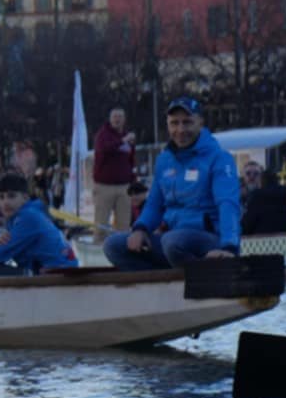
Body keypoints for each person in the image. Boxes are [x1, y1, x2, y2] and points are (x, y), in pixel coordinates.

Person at [102, 97, 241, 269]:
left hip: (209, 240)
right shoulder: (165, 160)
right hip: (174, 242)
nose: (180, 130)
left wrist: (229, 247)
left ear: (200, 123)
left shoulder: (219, 158)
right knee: (113, 246)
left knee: (173, 241)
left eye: (187, 122)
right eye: (174, 123)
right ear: (168, 125)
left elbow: (228, 204)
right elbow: (154, 204)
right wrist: (140, 229)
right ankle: (159, 282)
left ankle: (205, 276)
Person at [0, 173, 76, 275]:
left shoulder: (29, 217)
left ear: (25, 198)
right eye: (1, 197)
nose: (5, 202)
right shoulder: (23, 216)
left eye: (11, 196)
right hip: (55, 269)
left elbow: (0, 254)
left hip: (59, 272)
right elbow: (6, 253)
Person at [91, 107, 136, 233]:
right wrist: (122, 141)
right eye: (115, 117)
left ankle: (121, 243)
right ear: (110, 119)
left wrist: (133, 179)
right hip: (104, 186)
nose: (117, 120)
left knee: (124, 225)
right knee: (101, 225)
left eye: (120, 117)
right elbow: (104, 150)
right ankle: (99, 243)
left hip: (124, 186)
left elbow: (131, 160)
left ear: (124, 119)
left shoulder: (127, 137)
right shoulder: (103, 135)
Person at [240, 167, 286, 236]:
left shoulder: (256, 195)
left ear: (261, 180)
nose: (252, 177)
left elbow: (249, 221)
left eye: (256, 174)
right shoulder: (285, 192)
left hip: (262, 236)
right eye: (248, 173)